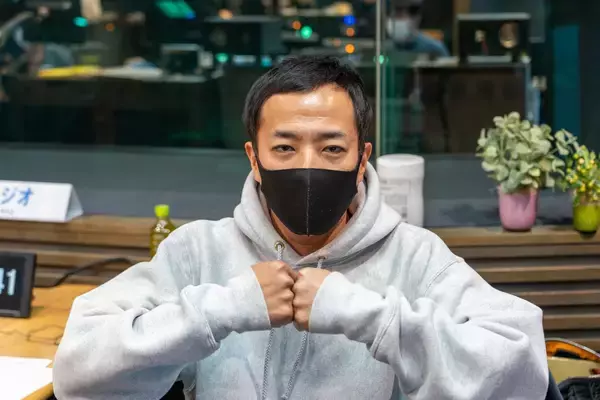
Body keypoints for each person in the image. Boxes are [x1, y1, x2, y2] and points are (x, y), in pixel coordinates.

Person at [53, 55, 548, 399]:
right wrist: (218, 310)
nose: (307, 166)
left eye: (332, 149)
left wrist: (371, 317)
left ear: (361, 159)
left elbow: (523, 375)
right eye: (285, 148)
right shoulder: (198, 251)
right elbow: (77, 374)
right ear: (254, 158)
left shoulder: (416, 257)